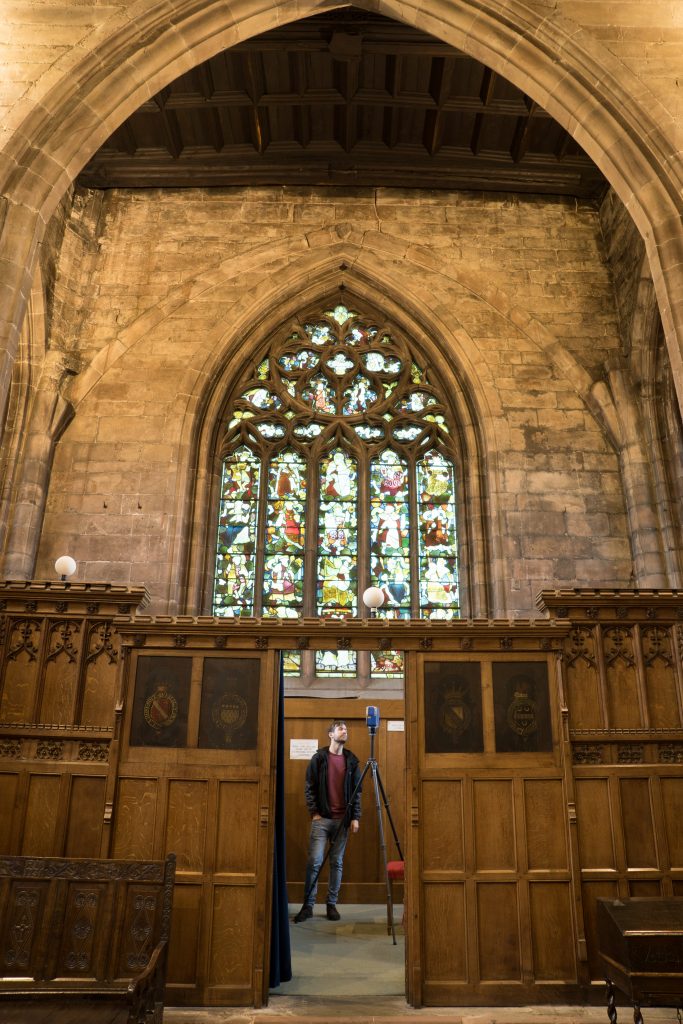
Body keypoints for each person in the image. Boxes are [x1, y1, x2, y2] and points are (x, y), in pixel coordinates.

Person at [294, 720, 362, 922]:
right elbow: (310, 787)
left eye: (346, 729)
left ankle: (331, 904)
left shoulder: (352, 761)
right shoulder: (319, 758)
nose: (344, 730)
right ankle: (308, 905)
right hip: (321, 820)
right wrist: (314, 812)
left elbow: (357, 793)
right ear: (331, 734)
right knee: (314, 862)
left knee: (336, 863)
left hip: (343, 821)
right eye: (340, 728)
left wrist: (355, 817)